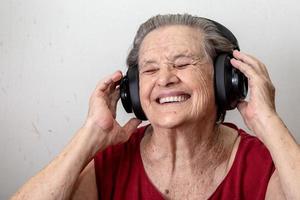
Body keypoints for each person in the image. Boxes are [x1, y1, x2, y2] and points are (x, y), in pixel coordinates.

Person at [11, 14, 300, 200]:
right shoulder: (110, 164)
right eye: (149, 70)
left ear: (225, 81)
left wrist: (268, 121)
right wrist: (90, 133)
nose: (164, 78)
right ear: (134, 93)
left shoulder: (262, 163)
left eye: (183, 63)